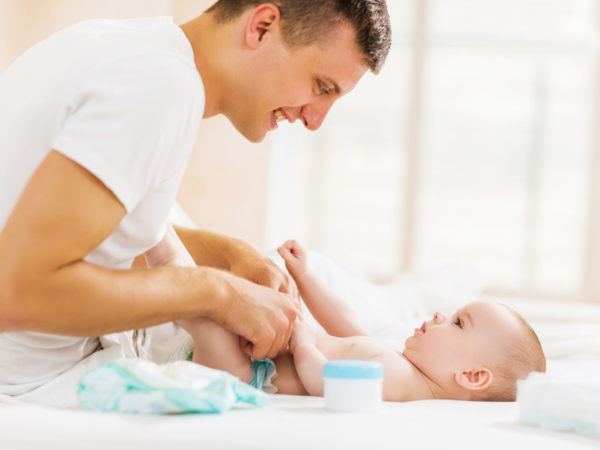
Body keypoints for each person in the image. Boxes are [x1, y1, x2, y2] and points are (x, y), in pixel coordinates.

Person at [0, 1, 392, 397]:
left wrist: (232, 256)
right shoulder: (161, 88)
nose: (315, 120)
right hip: (28, 386)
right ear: (262, 27)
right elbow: (15, 292)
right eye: (321, 87)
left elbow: (90, 236)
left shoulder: (119, 45)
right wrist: (216, 293)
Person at [169, 238, 546, 401]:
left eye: (458, 323)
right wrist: (307, 277)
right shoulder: (399, 362)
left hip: (248, 374)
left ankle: (157, 240)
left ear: (472, 376)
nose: (439, 315)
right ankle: (156, 240)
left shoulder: (399, 381)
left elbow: (324, 383)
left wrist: (302, 341)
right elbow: (345, 322)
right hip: (257, 355)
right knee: (208, 297)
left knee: (203, 306)